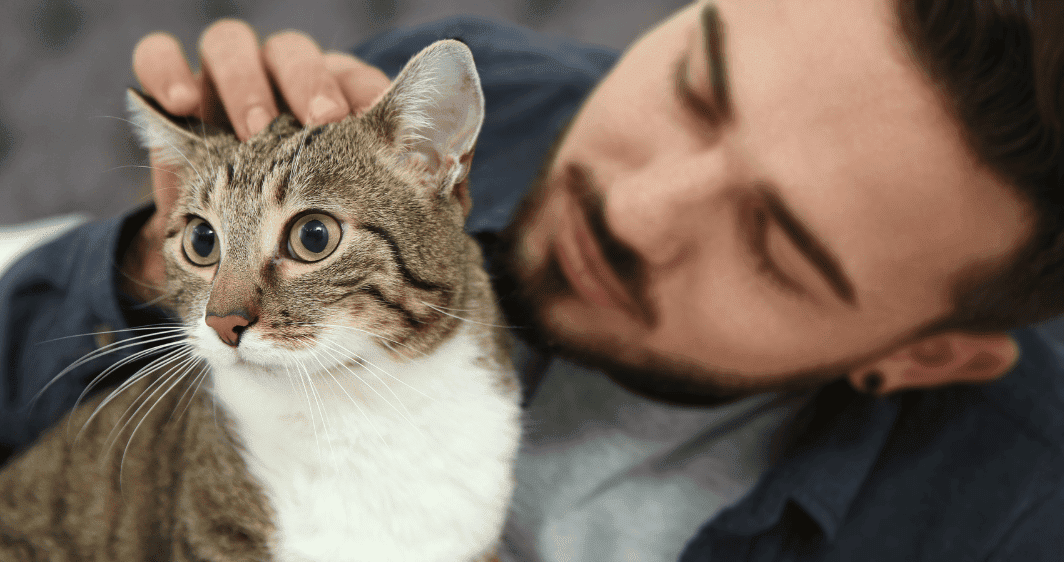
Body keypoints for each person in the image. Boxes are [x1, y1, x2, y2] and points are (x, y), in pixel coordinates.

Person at [1, 0, 1062, 559]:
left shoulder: (1005, 520)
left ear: (920, 354)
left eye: (774, 246)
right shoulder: (481, 90)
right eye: (696, 86)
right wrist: (164, 254)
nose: (634, 209)